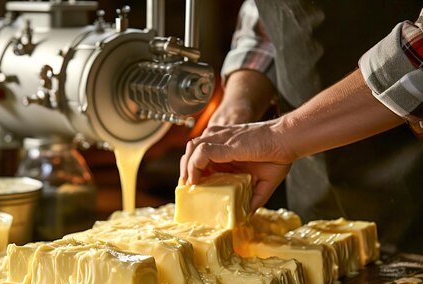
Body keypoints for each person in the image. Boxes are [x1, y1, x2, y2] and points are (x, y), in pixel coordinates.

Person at [180, 0, 423, 254]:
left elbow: (418, 53)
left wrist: (280, 135)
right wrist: (237, 110)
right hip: (313, 199)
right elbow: (268, 21)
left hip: (412, 196)